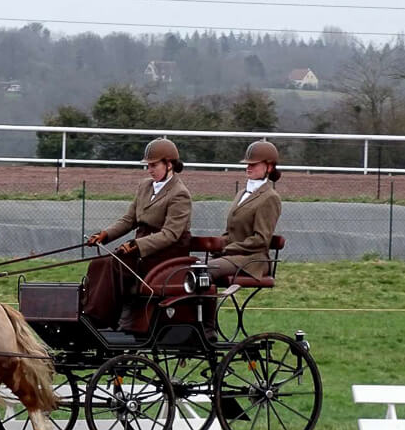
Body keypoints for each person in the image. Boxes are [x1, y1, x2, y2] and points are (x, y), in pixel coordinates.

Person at [83, 137, 192, 329]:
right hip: (141, 249)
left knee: (113, 265)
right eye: (148, 166)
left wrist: (137, 245)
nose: (149, 170)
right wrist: (105, 235)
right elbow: (129, 220)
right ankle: (89, 311)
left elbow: (170, 234)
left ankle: (101, 318)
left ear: (169, 165)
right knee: (98, 263)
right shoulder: (144, 186)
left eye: (153, 165)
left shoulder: (179, 194)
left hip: (164, 254)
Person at [207, 139, 282, 283]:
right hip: (232, 256)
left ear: (269, 167)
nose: (249, 167)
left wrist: (228, 249)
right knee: (190, 265)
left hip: (252, 261)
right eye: (248, 164)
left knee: (205, 270)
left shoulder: (270, 197)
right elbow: (231, 233)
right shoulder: (241, 193)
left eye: (254, 164)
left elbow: (260, 240)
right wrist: (216, 244)